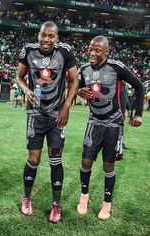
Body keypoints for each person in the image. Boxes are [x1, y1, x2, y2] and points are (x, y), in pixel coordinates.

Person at [17, 21, 79, 223]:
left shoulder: (65, 52)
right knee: (34, 159)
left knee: (55, 160)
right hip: (35, 114)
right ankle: (26, 198)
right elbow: (19, 76)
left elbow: (74, 80)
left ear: (57, 38)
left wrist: (66, 106)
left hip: (56, 115)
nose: (46, 39)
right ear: (38, 35)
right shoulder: (28, 50)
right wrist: (26, 90)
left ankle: (56, 205)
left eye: (51, 36)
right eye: (44, 35)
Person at [77, 35, 144, 220]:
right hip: (94, 122)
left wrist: (138, 114)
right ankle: (84, 197)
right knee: (86, 162)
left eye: (97, 50)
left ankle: (107, 204)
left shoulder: (117, 67)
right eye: (90, 49)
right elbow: (81, 89)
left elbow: (139, 86)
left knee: (108, 165)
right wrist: (79, 91)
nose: (92, 53)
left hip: (114, 124)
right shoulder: (84, 69)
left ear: (107, 51)